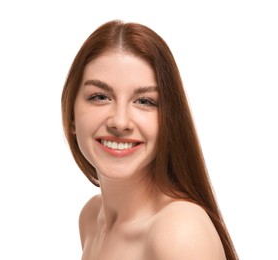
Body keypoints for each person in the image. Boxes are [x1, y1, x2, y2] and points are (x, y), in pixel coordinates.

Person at [61, 20, 238, 260]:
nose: (120, 122)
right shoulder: (91, 218)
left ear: (169, 121)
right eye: (100, 97)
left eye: (144, 101)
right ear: (71, 115)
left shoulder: (179, 232)